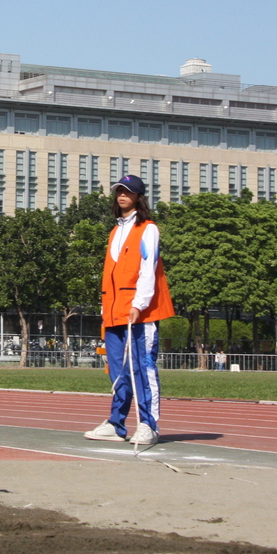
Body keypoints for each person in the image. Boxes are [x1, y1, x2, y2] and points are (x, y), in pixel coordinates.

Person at [85, 175, 176, 446]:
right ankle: (116, 423)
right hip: (113, 313)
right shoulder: (114, 231)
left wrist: (139, 304)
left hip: (139, 313)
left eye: (128, 192)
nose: (122, 195)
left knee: (142, 369)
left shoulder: (148, 229)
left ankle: (148, 425)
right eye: (119, 191)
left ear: (138, 196)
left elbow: (148, 269)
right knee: (117, 371)